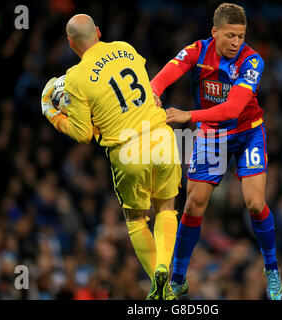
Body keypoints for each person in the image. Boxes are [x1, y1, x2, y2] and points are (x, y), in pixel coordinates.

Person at [40, 14, 181, 300]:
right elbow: (139, 88)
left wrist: (51, 111)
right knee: (166, 208)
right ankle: (166, 264)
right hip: (161, 135)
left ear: (70, 43)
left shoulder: (76, 80)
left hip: (128, 150)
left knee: (136, 219)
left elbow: (82, 134)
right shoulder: (125, 48)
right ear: (99, 32)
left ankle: (158, 278)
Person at [151, 3, 282, 300]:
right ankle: (178, 278)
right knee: (193, 206)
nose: (237, 42)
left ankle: (272, 268)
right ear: (215, 32)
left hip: (247, 132)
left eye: (241, 36)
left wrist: (189, 115)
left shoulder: (252, 62)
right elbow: (170, 70)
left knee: (254, 203)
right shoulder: (198, 51)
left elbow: (234, 108)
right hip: (213, 135)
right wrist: (155, 90)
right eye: (230, 36)